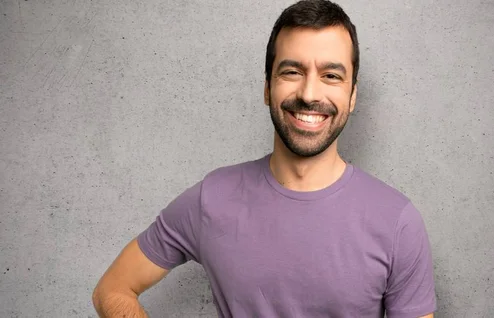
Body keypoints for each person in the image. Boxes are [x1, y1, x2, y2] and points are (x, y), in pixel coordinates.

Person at [92, 0, 437, 317]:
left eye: (331, 75)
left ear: (352, 96)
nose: (309, 93)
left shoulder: (397, 223)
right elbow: (113, 288)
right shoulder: (211, 198)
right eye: (292, 72)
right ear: (266, 88)